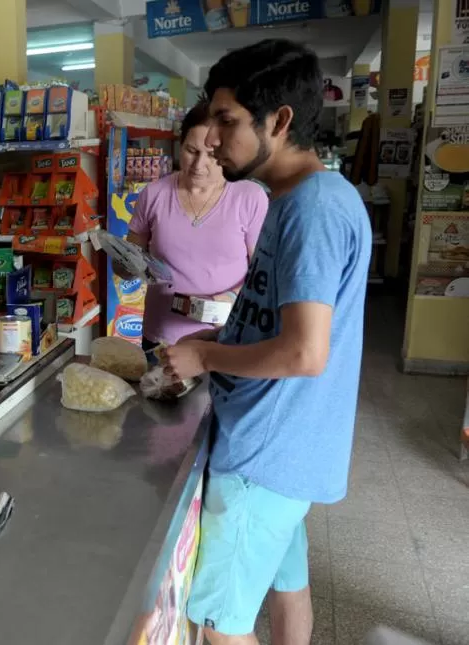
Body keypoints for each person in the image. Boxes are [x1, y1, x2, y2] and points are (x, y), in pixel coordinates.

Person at [162, 40, 371, 645]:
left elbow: (305, 352)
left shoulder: (313, 209)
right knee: (288, 589)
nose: (215, 138)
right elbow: (277, 323)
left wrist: (204, 355)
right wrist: (219, 337)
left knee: (216, 625)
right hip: (283, 448)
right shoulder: (294, 199)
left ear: (278, 122)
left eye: (228, 121)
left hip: (265, 454)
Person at [116, 101, 268, 347]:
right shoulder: (154, 194)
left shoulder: (249, 196)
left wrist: (229, 298)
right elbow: (127, 262)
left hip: (226, 336)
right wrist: (125, 262)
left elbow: (263, 272)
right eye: (191, 151)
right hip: (162, 337)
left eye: (210, 154)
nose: (199, 165)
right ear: (179, 146)